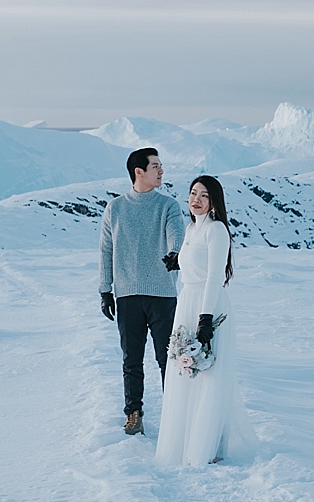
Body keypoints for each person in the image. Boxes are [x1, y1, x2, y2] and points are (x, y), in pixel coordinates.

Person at [155, 175, 257, 466]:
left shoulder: (216, 230)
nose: (195, 199)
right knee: (185, 374)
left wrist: (205, 319)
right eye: (192, 193)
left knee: (209, 375)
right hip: (186, 302)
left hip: (206, 305)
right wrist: (180, 260)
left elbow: (214, 277)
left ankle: (208, 448)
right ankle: (185, 442)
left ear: (214, 202)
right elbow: (195, 261)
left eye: (203, 195)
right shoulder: (190, 228)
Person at [99, 148, 185, 436]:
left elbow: (177, 232)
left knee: (167, 360)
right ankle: (133, 414)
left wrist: (175, 253)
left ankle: (175, 415)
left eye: (161, 166)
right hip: (127, 295)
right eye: (156, 166)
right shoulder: (116, 208)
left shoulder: (168, 205)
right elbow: (106, 250)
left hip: (162, 294)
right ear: (139, 172)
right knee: (131, 360)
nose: (161, 171)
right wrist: (104, 290)